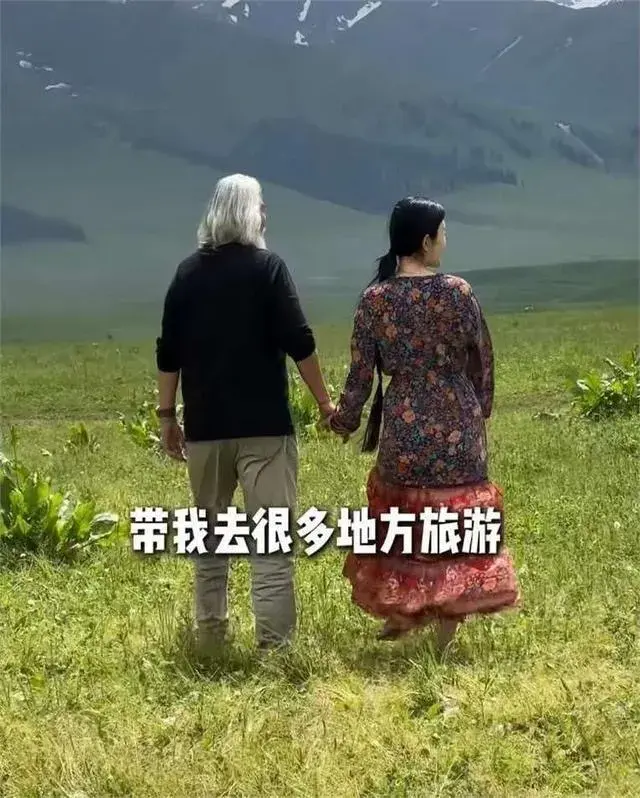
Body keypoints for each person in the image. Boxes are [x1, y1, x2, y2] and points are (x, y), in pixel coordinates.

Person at [326, 197, 519, 652]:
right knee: (456, 526)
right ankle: (444, 632)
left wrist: (343, 419)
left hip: (404, 424)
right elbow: (482, 358)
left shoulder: (375, 300)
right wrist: (480, 409)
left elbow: (360, 375)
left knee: (405, 522)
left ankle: (405, 609)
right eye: (443, 234)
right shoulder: (458, 293)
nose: (446, 242)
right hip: (457, 421)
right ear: (426, 241)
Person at [155, 173, 335, 653]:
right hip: (265, 428)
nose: (267, 214)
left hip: (206, 429)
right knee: (271, 545)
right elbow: (300, 342)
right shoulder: (268, 268)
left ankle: (210, 641)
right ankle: (275, 650)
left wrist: (167, 416)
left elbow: (168, 352)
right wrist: (324, 403)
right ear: (250, 214)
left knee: (210, 541)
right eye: (262, 206)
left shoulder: (186, 274)